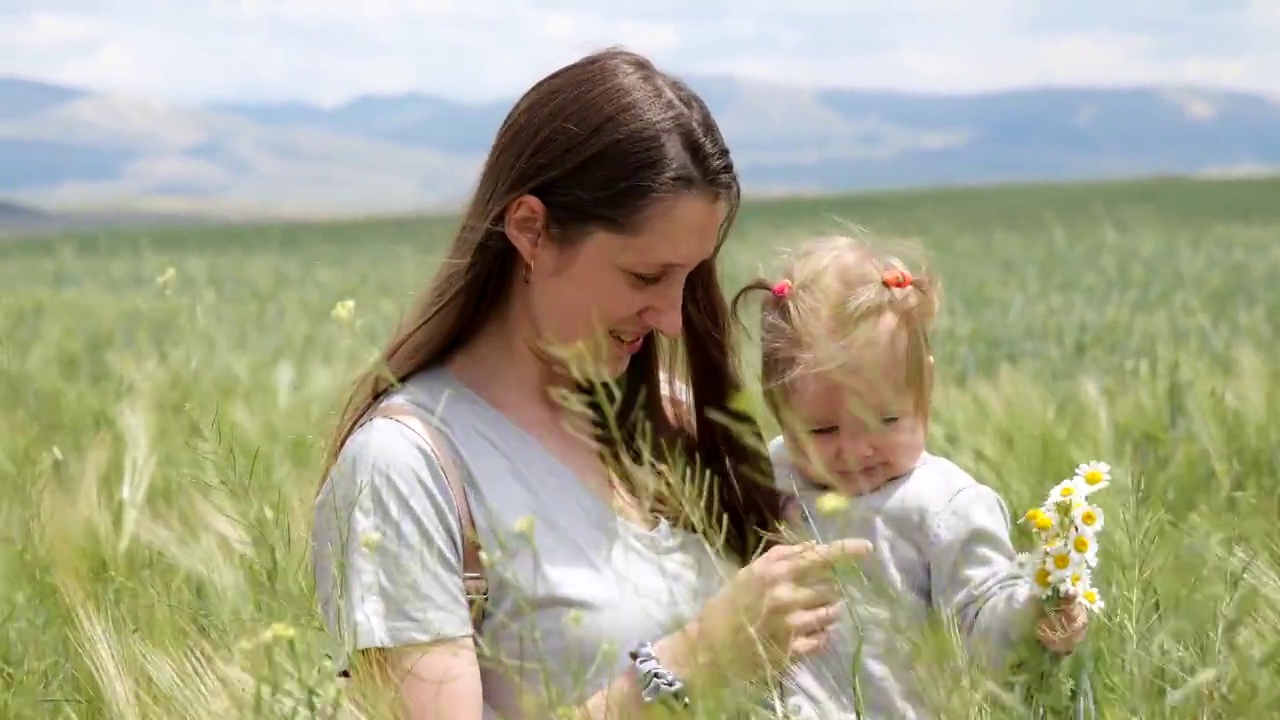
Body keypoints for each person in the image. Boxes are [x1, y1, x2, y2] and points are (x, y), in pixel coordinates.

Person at [309, 49, 873, 720]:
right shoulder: (404, 471)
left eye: (690, 277)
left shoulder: (674, 423)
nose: (670, 317)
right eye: (644, 277)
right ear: (531, 232)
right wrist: (695, 660)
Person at [732, 235, 1091, 719]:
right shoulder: (766, 479)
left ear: (926, 388)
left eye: (886, 421)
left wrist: (1034, 612)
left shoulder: (944, 506)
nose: (855, 451)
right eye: (822, 429)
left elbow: (982, 621)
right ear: (776, 407)